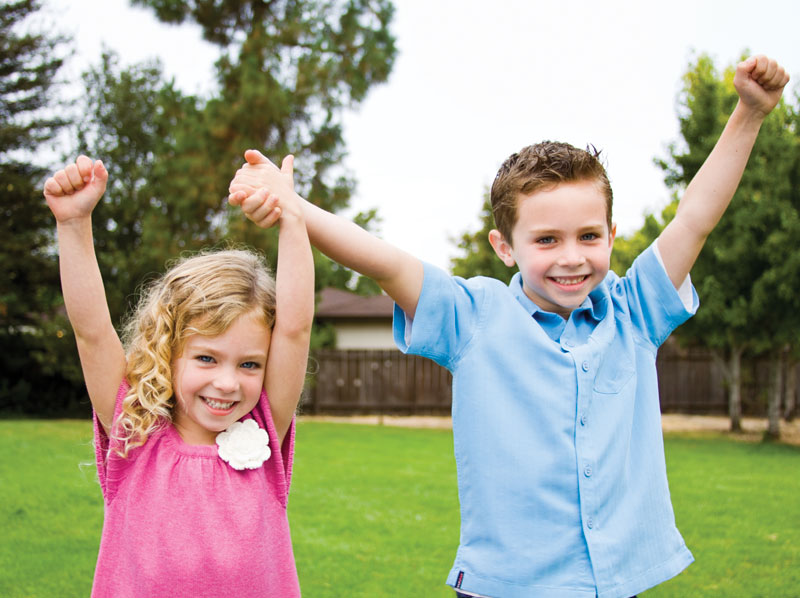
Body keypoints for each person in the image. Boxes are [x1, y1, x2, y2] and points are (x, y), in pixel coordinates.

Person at [228, 55, 788, 598]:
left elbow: (693, 218)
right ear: (504, 247)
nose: (572, 256)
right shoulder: (473, 317)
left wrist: (750, 113)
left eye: (589, 236)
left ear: (612, 237)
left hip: (613, 586)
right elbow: (383, 259)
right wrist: (292, 205)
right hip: (504, 588)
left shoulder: (634, 311)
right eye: (546, 240)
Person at [44, 154, 313, 597]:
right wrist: (73, 224)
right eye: (206, 358)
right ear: (166, 352)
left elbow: (296, 327)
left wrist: (293, 217)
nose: (227, 382)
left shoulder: (265, 429)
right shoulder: (134, 430)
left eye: (249, 364)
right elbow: (92, 333)